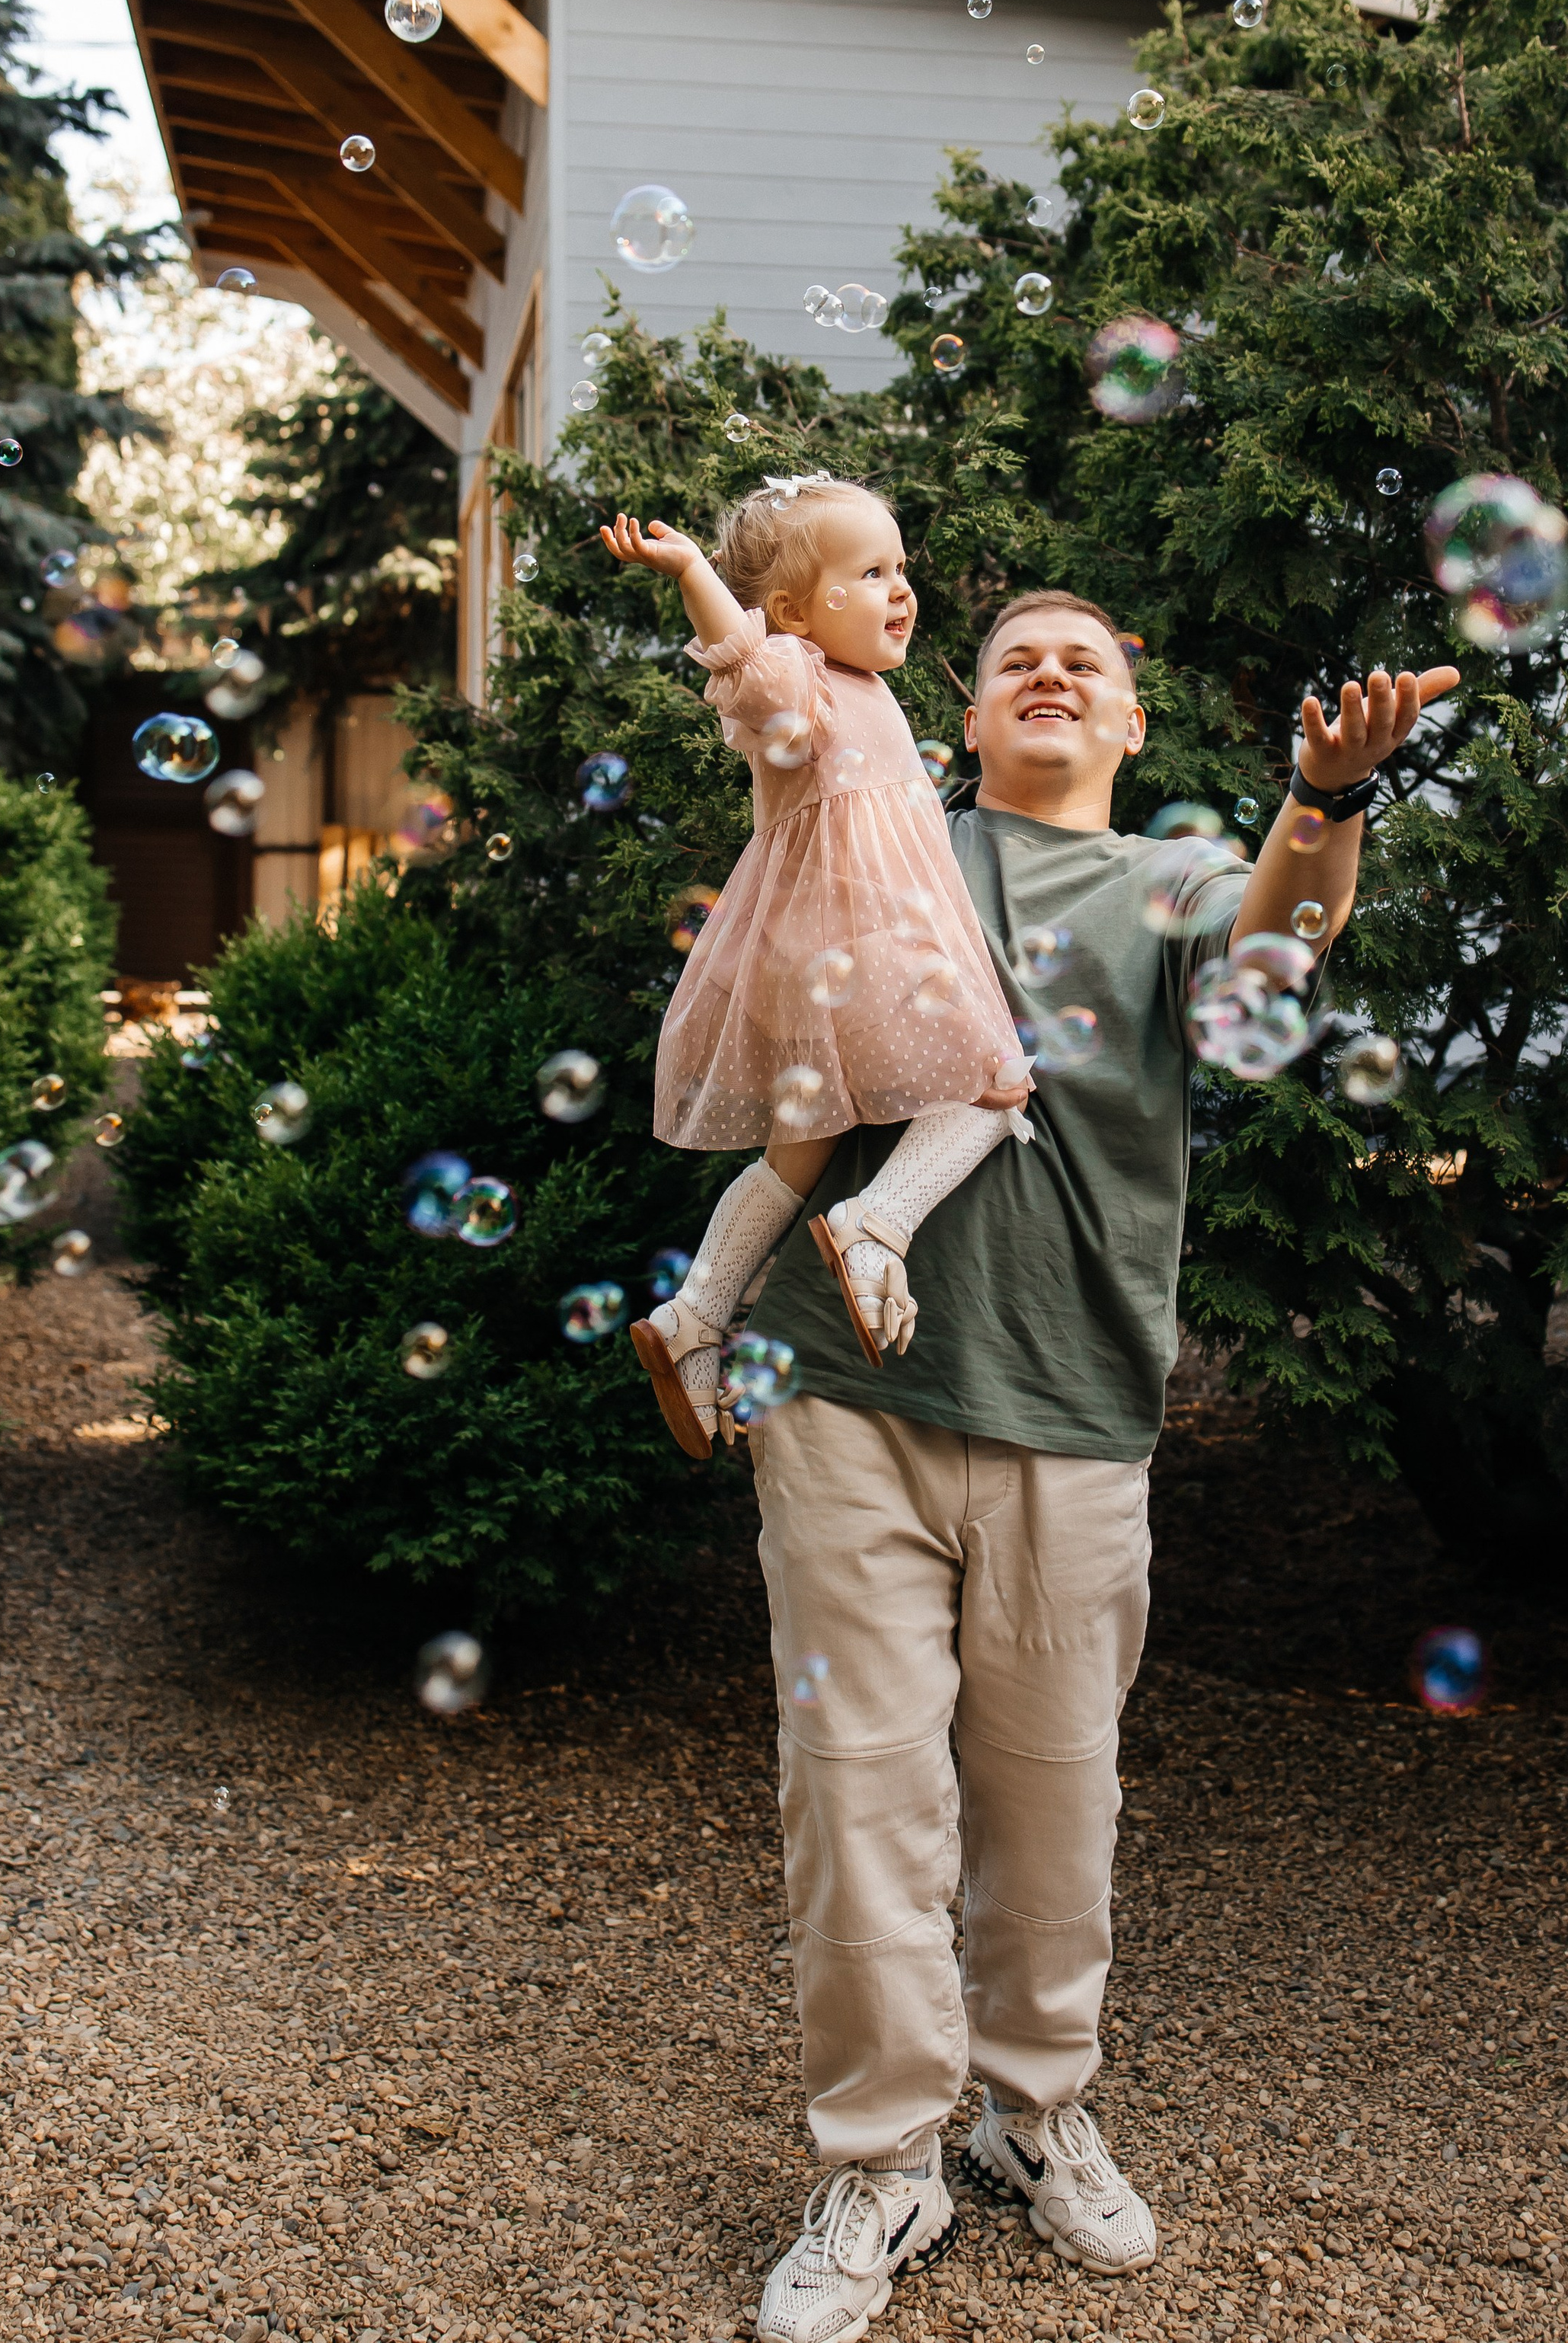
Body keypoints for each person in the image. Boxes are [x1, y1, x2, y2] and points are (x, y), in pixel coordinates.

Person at [730, 588, 1458, 2343]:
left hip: (1075, 1408)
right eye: (1012, 663)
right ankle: (882, 2161)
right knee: (859, 1794)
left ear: (1130, 728)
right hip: (844, 1400)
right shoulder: (885, 833)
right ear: (963, 720)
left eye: (1090, 666)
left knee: (1057, 1795)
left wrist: (1327, 803)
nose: (1050, 676)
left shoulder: (1176, 885)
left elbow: (1283, 940)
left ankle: (1030, 2113)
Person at [599, 478, 1030, 1459]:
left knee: (796, 1155)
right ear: (793, 610)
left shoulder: (863, 686)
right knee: (997, 1086)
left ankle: (697, 1314)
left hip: (815, 960)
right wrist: (695, 575)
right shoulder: (795, 672)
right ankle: (877, 1224)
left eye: (902, 570)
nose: (901, 589)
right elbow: (746, 667)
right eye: (871, 572)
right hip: (853, 943)